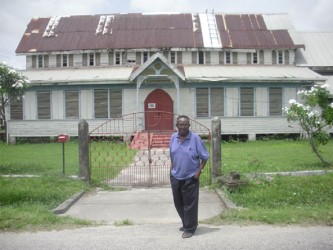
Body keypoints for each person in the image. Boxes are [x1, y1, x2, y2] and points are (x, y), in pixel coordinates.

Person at [169, 115, 209, 238]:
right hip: (176, 176)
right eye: (180, 124)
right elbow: (172, 154)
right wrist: (171, 170)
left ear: (189, 126)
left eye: (185, 124)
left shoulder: (195, 138)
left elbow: (205, 157)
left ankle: (190, 228)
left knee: (190, 204)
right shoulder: (173, 137)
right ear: (177, 126)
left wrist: (198, 173)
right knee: (178, 203)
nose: (183, 126)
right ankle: (187, 223)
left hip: (190, 177)